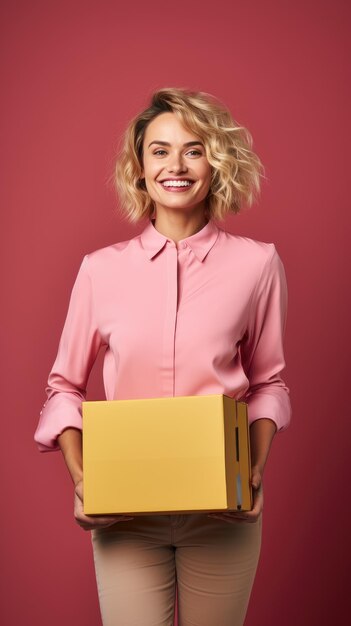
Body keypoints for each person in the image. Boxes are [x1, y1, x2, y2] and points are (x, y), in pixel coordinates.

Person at [34, 87, 292, 626]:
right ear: (140, 167)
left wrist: (254, 471)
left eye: (193, 149)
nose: (176, 165)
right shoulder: (100, 270)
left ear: (215, 163)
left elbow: (269, 382)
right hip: (125, 516)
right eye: (159, 150)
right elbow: (64, 388)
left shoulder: (257, 264)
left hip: (222, 513)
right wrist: (84, 480)